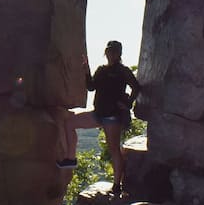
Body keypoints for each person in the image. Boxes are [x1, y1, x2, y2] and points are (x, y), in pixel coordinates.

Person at [56, 40, 141, 196]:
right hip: (98, 113)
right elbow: (91, 87)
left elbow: (136, 87)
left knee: (113, 149)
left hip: (112, 116)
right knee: (69, 123)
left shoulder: (123, 71)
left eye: (113, 51)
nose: (110, 54)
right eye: (109, 51)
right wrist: (86, 70)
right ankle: (70, 159)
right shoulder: (101, 70)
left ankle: (117, 185)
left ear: (119, 54)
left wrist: (128, 103)